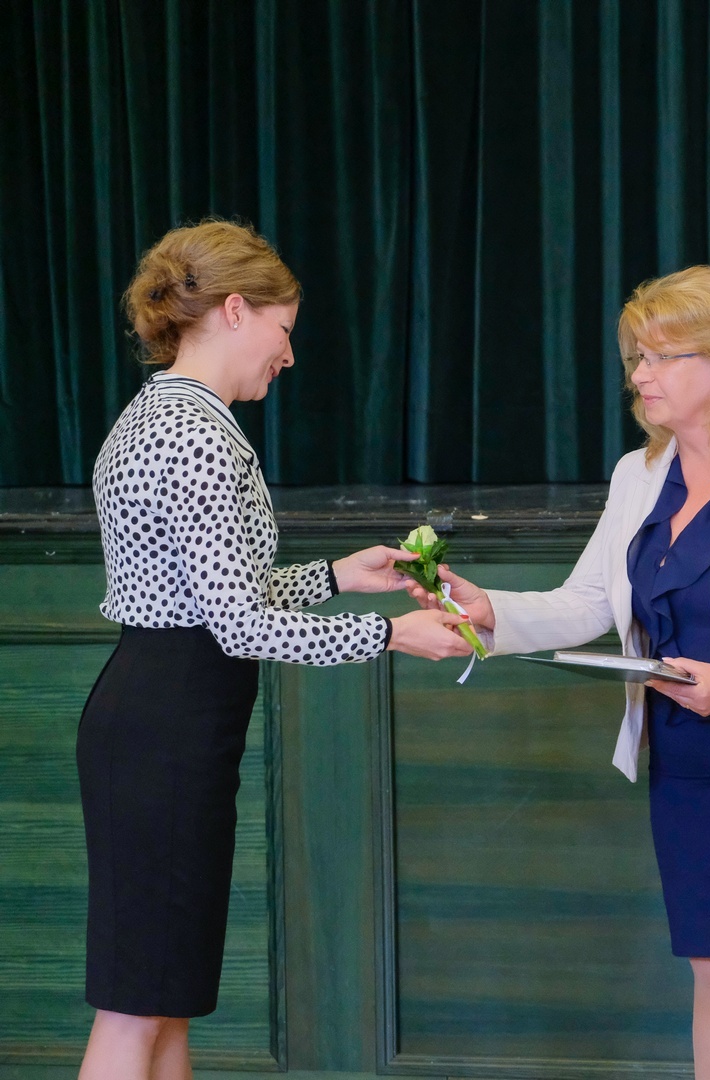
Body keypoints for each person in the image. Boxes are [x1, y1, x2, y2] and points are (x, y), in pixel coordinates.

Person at [414, 265, 710, 1080]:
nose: (640, 375)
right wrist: (492, 612)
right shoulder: (638, 475)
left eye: (663, 357)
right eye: (638, 356)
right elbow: (589, 600)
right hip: (683, 761)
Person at [78, 220, 472, 1080]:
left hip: (160, 716)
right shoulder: (195, 434)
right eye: (283, 329)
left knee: (164, 1000)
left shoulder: (162, 413)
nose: (288, 355)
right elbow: (237, 625)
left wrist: (338, 575)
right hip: (166, 727)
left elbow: (209, 595)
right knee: (136, 1008)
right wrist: (391, 633)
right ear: (233, 310)